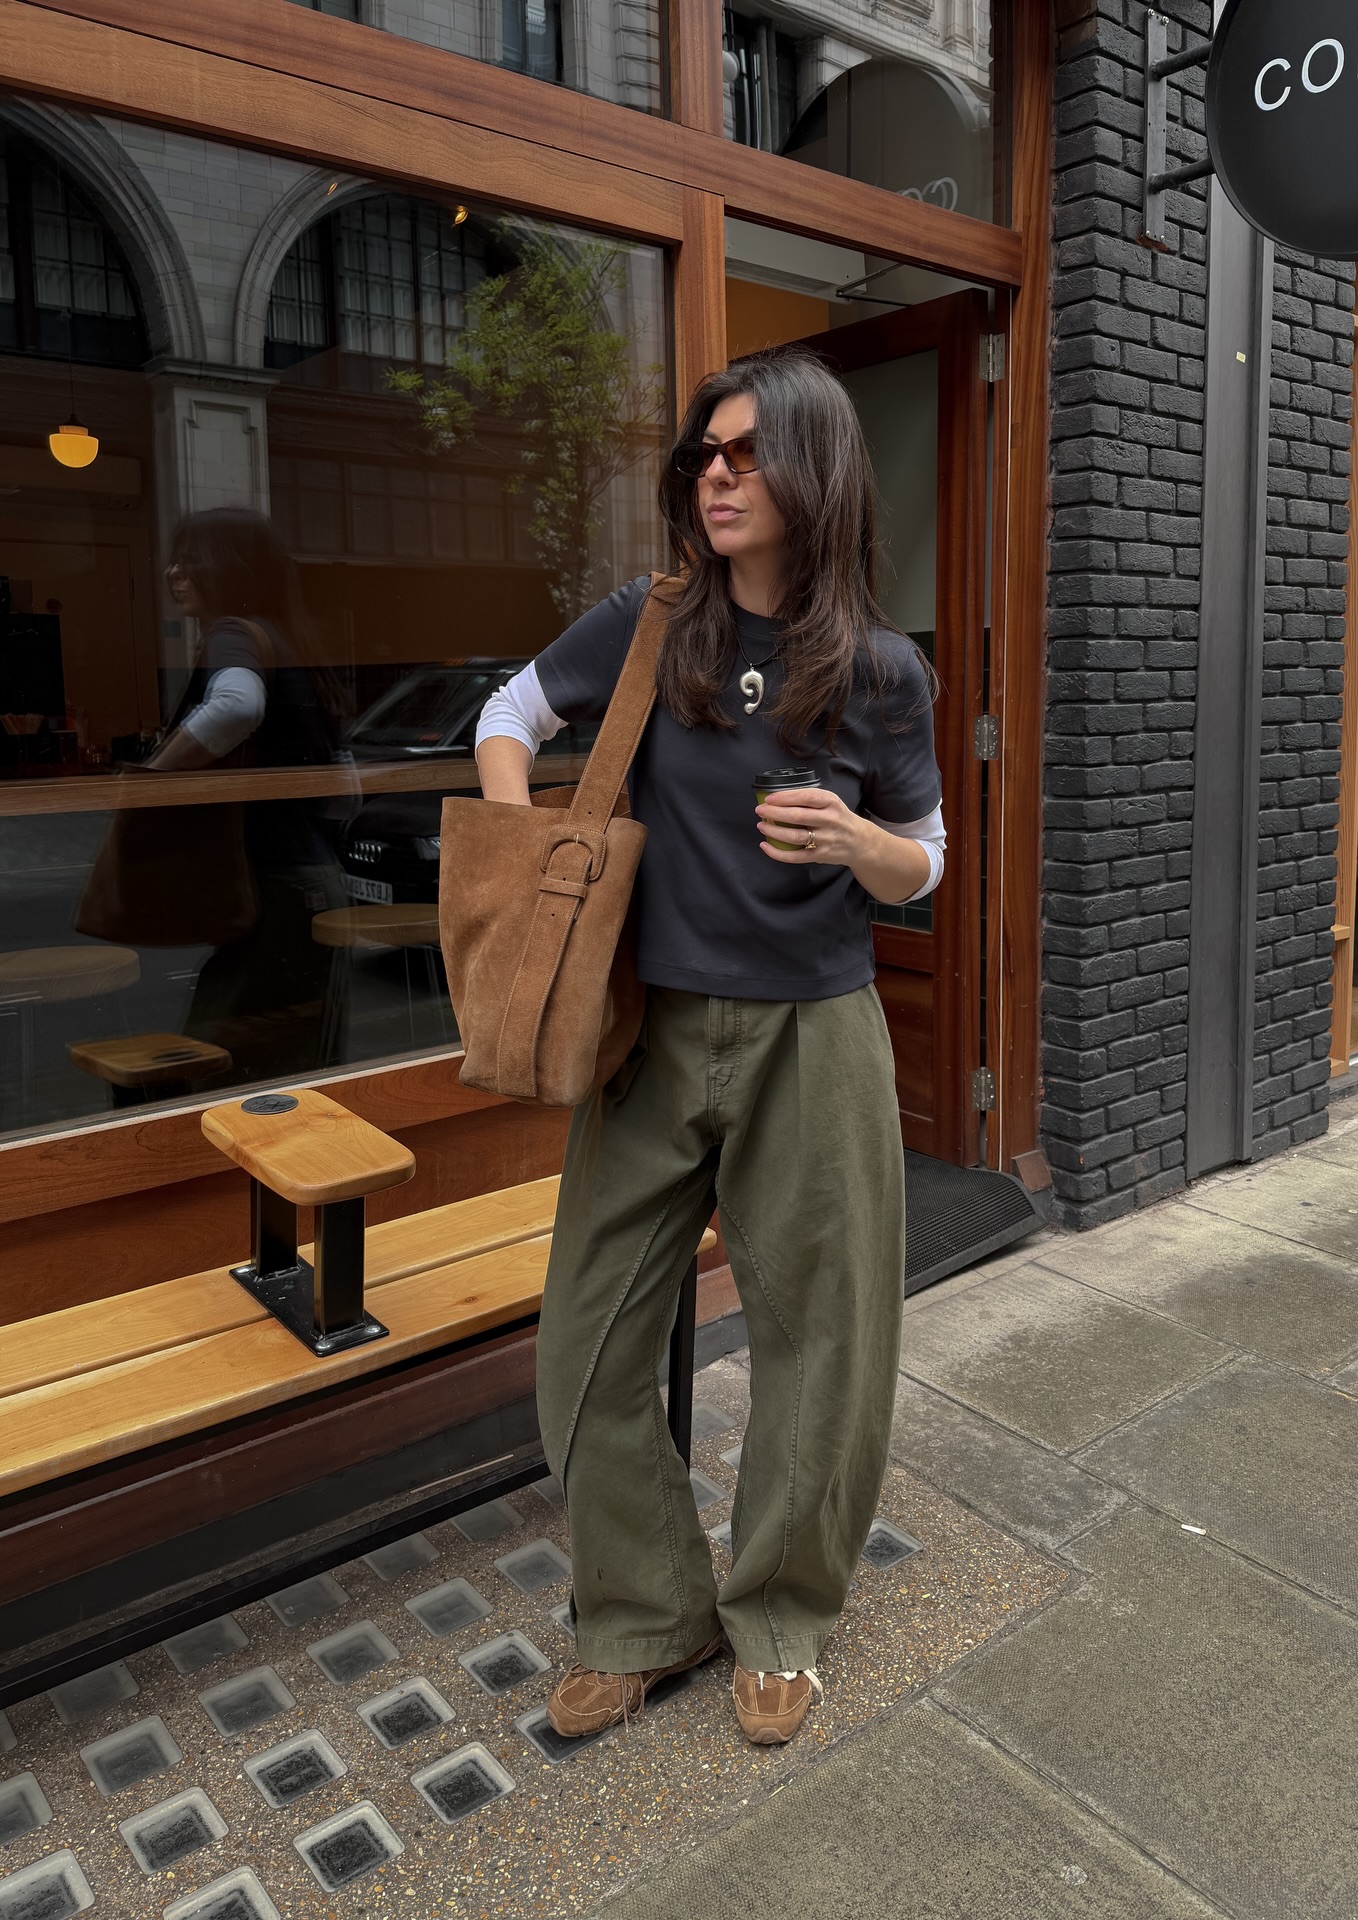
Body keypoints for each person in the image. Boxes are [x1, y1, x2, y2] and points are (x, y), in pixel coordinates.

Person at [474, 347, 945, 1746]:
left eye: (745, 454)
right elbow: (507, 714)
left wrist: (859, 844)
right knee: (587, 1343)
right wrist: (530, 837)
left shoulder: (878, 668)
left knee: (825, 1341)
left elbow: (924, 856)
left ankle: (781, 1617)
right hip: (650, 1029)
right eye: (702, 458)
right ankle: (644, 1613)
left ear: (815, 472)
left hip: (817, 1032)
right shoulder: (651, 621)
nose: (717, 476)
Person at [150, 509, 353, 1079]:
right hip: (313, 878)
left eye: (190, 559)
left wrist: (152, 777)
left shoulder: (233, 633)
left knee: (224, 1064)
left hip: (277, 886)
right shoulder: (292, 641)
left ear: (228, 569)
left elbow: (238, 706)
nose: (174, 573)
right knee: (302, 1058)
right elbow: (345, 787)